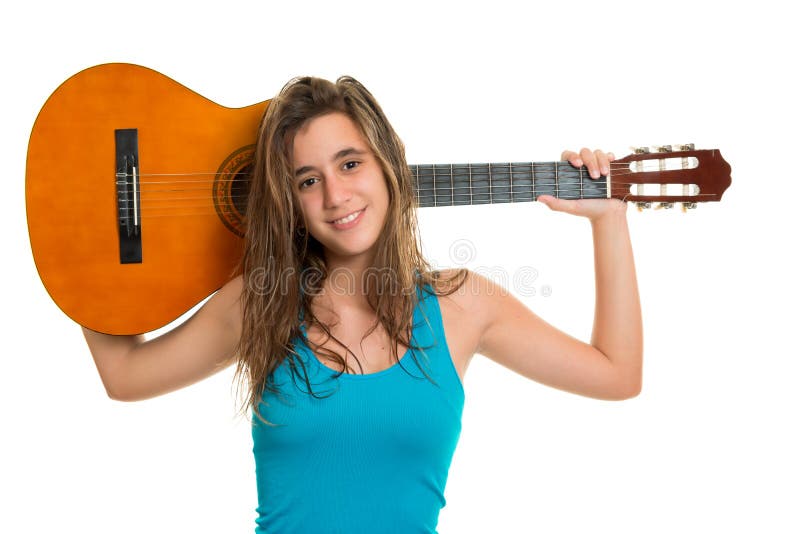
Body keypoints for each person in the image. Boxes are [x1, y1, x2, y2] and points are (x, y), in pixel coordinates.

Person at [82, 75, 642, 533]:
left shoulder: (463, 304)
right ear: (288, 200)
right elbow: (125, 374)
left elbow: (617, 375)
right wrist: (82, 241)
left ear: (389, 164)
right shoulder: (260, 301)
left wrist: (609, 221)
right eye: (307, 180)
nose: (335, 196)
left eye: (350, 164)